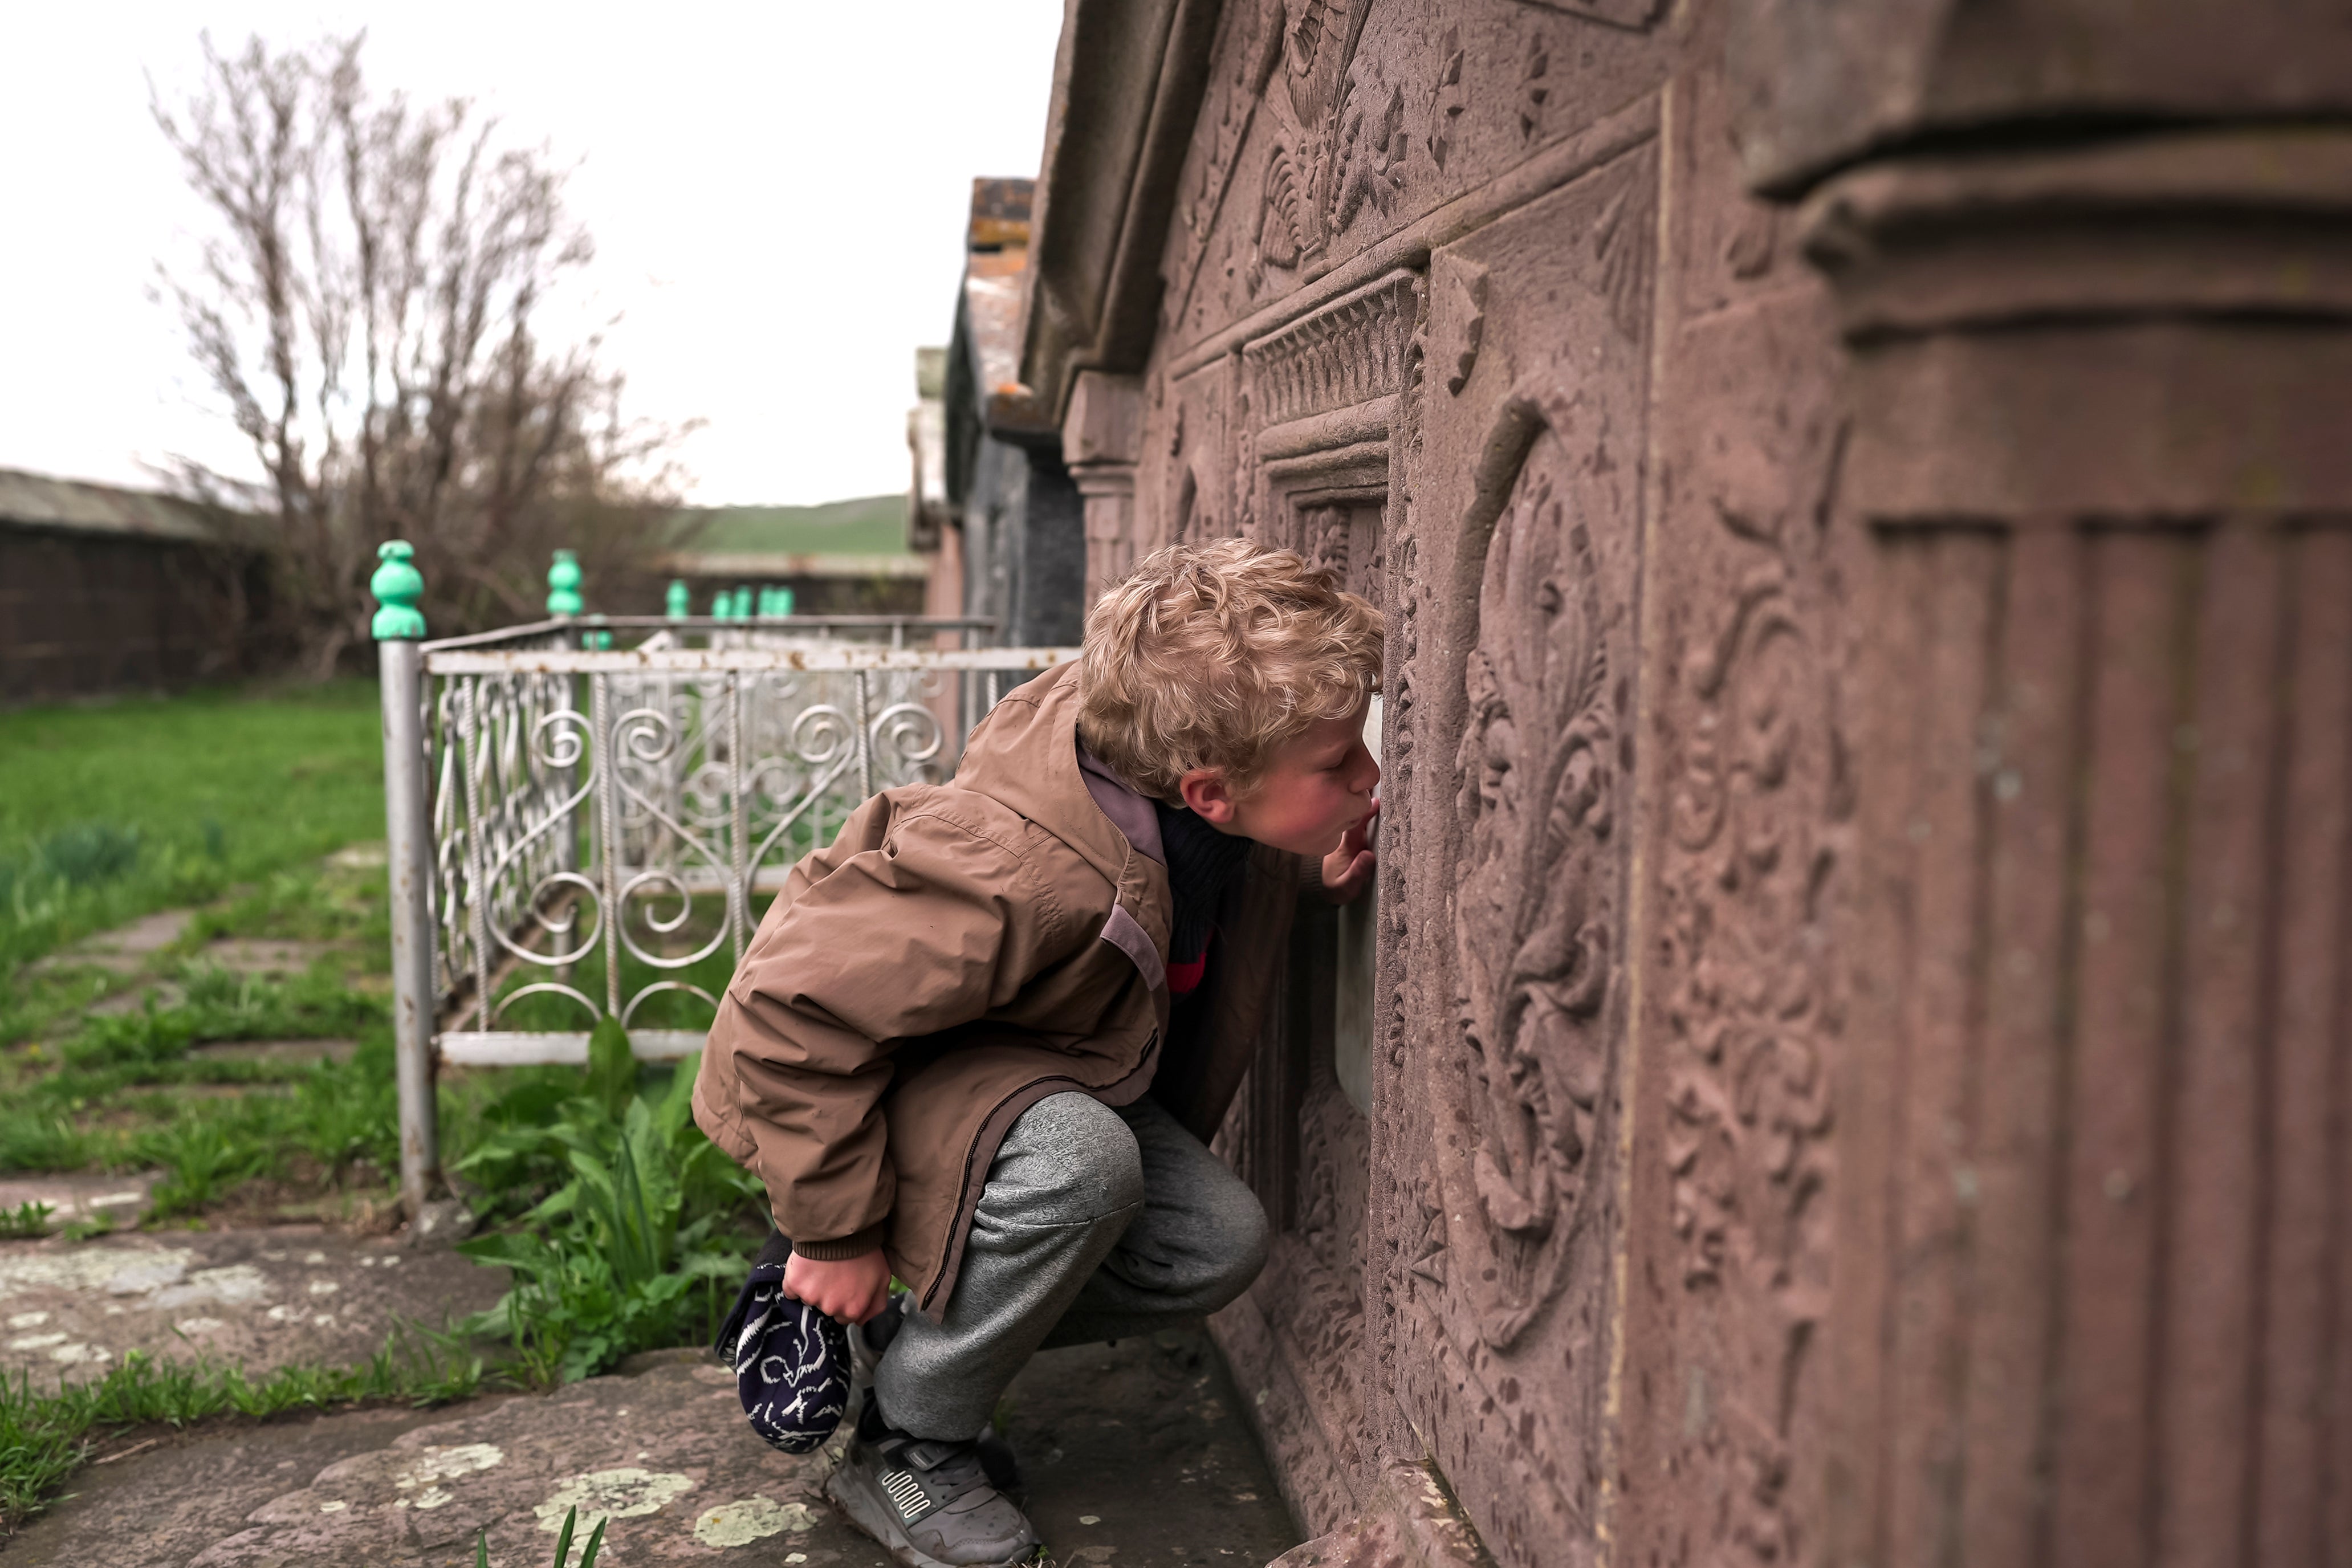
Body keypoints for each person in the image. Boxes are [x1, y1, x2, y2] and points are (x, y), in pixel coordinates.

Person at [694, 539, 1382, 1567]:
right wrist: (836, 1232)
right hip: (890, 1096)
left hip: (1031, 1075)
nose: (1370, 775)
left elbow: (1205, 870)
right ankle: (908, 1443)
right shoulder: (1017, 871)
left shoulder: (1171, 744)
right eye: (1338, 764)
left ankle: (910, 1326)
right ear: (1207, 794)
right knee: (1080, 1168)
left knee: (1212, 1241)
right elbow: (789, 1013)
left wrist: (1304, 878)